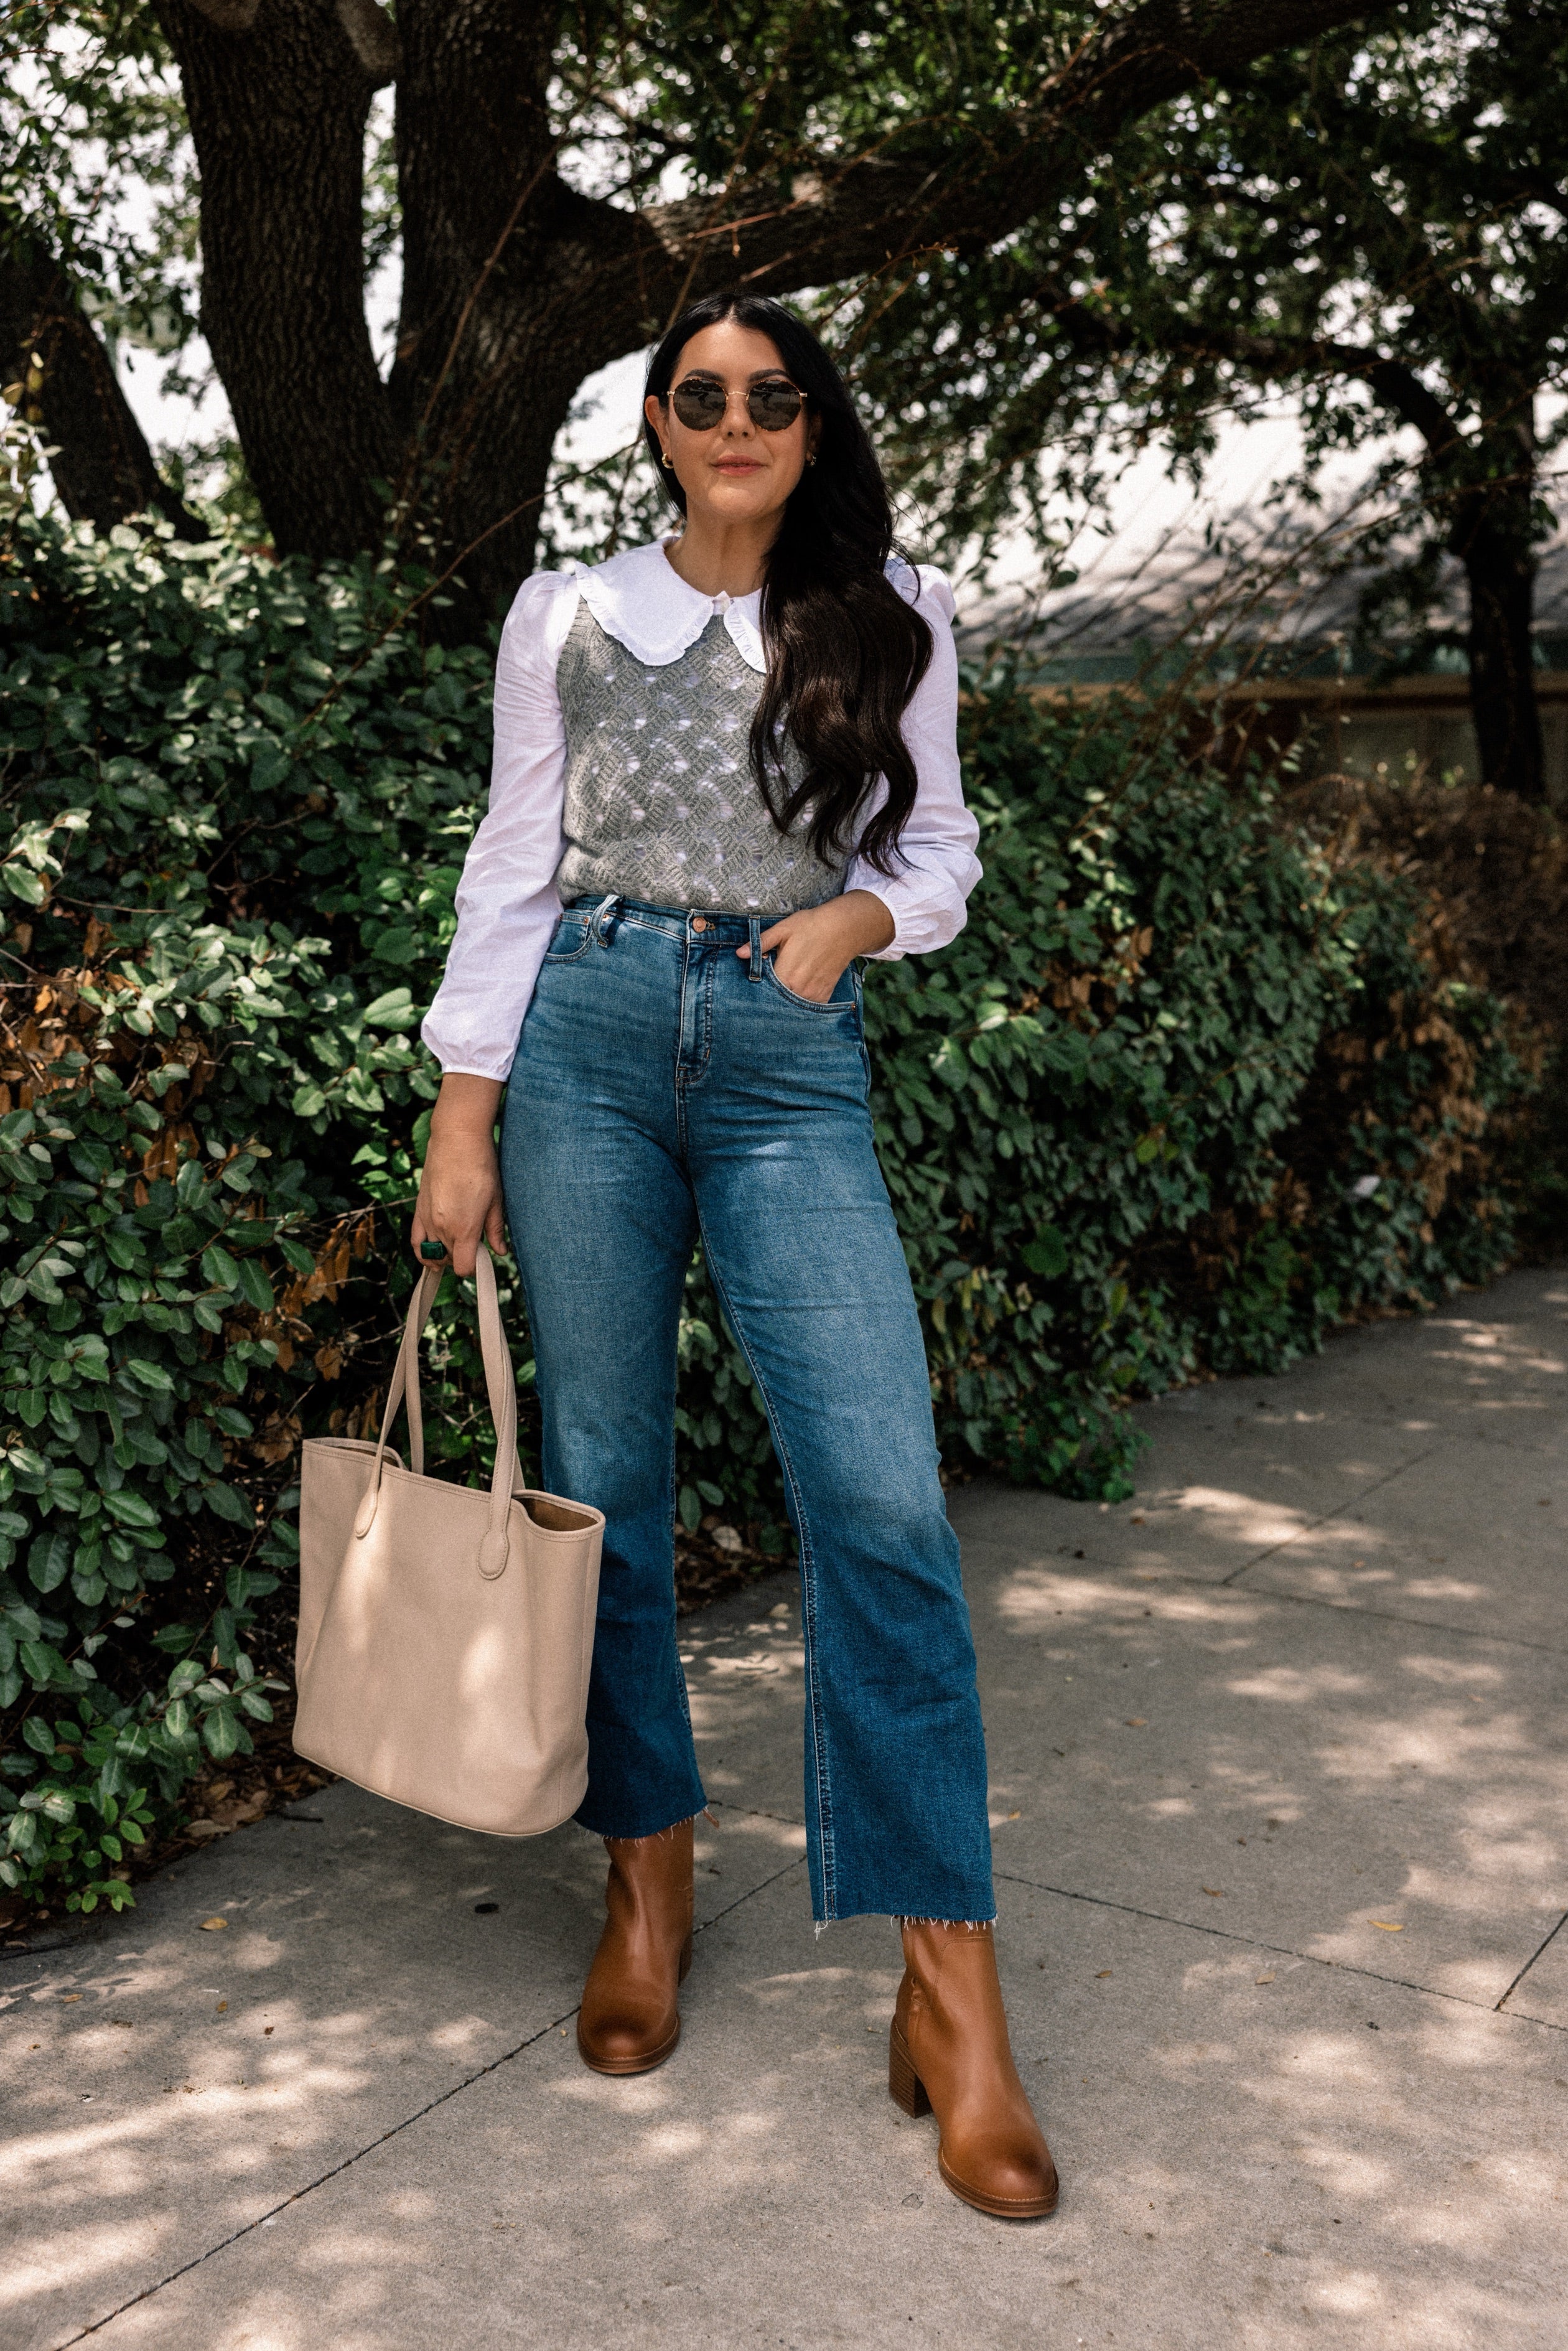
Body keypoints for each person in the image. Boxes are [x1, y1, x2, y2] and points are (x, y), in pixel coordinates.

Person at [413, 290, 1057, 2221]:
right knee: (606, 1484)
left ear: (811, 419)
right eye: (704, 394)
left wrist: (854, 924)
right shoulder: (565, 616)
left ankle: (952, 1992)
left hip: (788, 1065)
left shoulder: (892, 612)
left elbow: (938, 850)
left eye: (775, 393)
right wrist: (463, 1110)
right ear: (661, 426)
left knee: (879, 1500)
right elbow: (514, 861)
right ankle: (648, 1878)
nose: (740, 417)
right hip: (585, 1053)